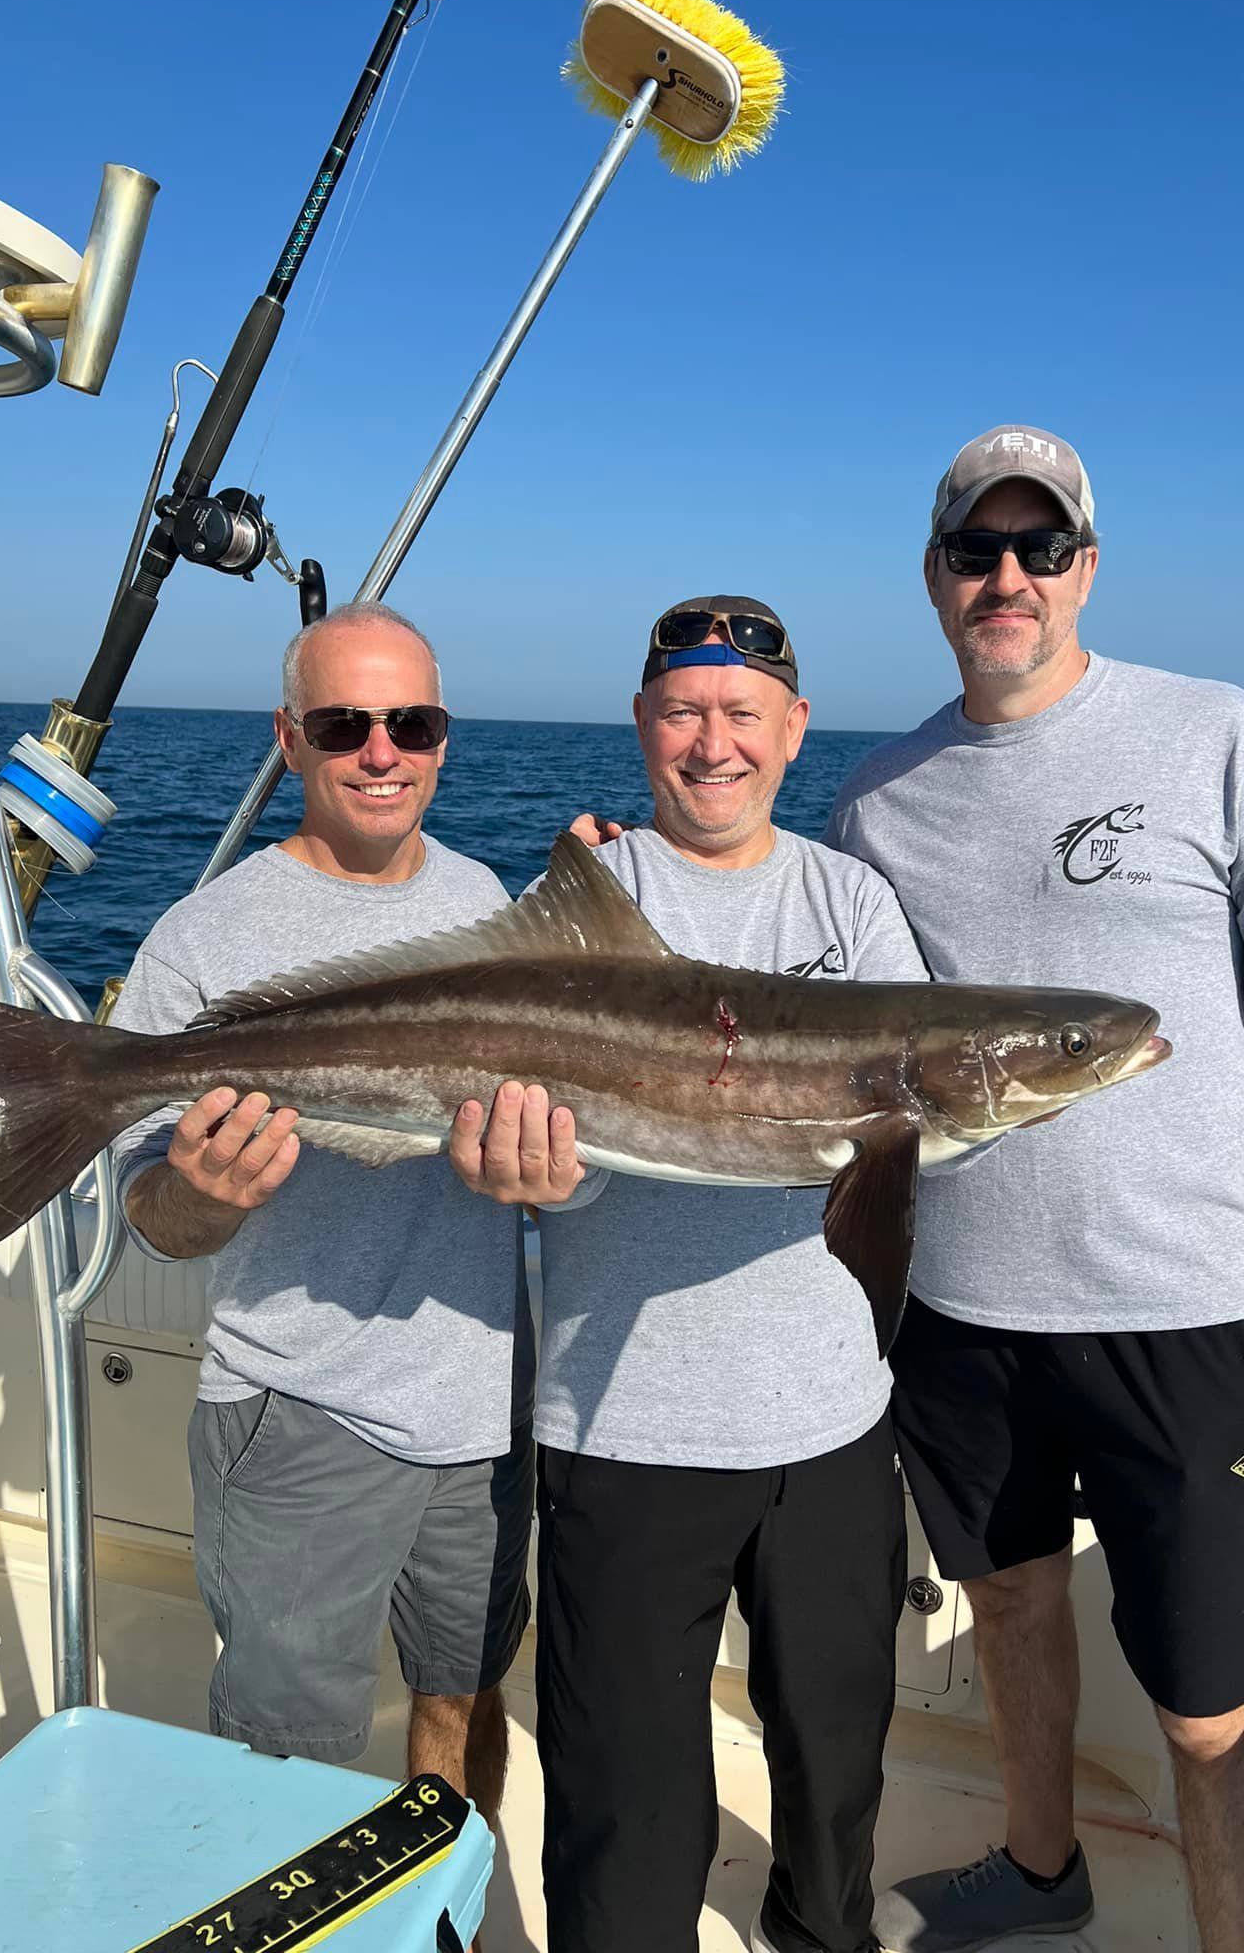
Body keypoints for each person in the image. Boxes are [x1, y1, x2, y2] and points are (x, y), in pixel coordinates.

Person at [825, 425, 1244, 1953]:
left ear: (1088, 568)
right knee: (1011, 1613)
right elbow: (826, 1027)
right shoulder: (879, 799)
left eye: (1040, 548)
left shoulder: (1219, 737)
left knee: (1214, 1715)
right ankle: (1039, 1875)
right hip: (957, 1316)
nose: (1007, 576)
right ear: (936, 578)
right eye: (976, 550)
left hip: (1185, 1320)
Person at [450, 596, 922, 1953]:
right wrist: (531, 1173)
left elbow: (891, 1151)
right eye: (683, 711)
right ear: (643, 726)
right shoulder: (592, 898)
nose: (713, 742)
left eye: (742, 713)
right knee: (626, 1794)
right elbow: (538, 1122)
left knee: (837, 1760)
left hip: (832, 1424)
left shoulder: (853, 901)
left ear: (795, 730)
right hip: (626, 1424)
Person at [111, 603, 533, 1832]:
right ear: (289, 740)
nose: (383, 751)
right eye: (346, 723)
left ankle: (438, 1917)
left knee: (461, 1692)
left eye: (414, 722)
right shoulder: (205, 936)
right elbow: (153, 1215)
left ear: (445, 738)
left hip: (479, 1402)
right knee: (282, 1757)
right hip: (299, 1414)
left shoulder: (487, 898)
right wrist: (201, 1190)